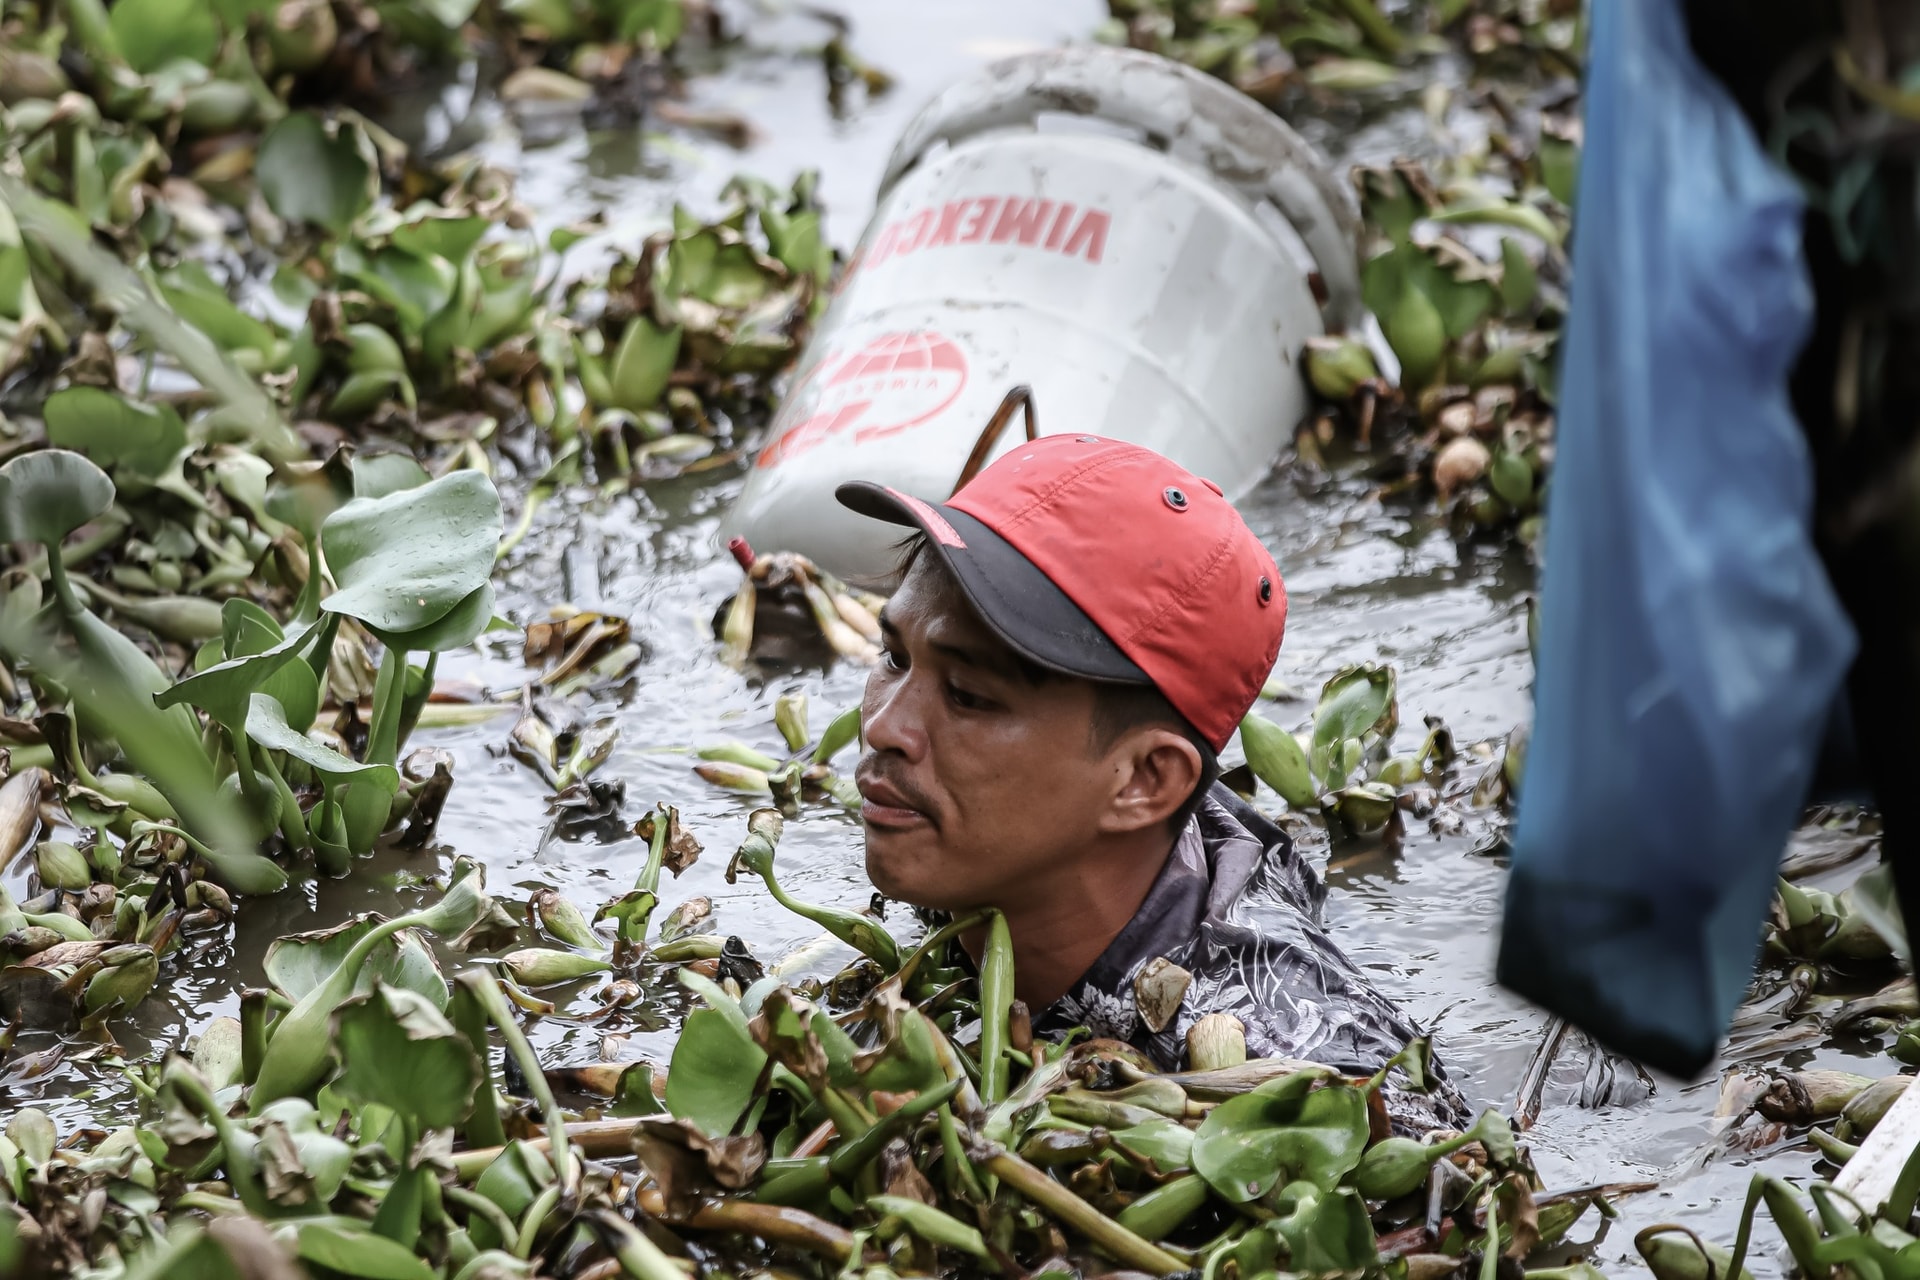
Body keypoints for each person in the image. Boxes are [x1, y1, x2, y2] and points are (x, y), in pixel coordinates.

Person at [837, 429, 1470, 1129]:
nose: (885, 728)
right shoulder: (989, 838)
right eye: (894, 657)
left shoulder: (1295, 1082)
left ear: (1146, 781)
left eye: (969, 697)